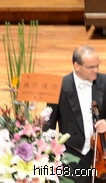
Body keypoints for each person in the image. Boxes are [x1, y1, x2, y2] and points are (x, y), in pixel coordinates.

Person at [45, 45, 106, 183]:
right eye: (91, 67)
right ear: (77, 66)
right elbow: (49, 125)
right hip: (71, 154)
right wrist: (48, 158)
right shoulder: (59, 86)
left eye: (97, 65)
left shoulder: (105, 81)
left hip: (102, 153)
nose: (96, 70)